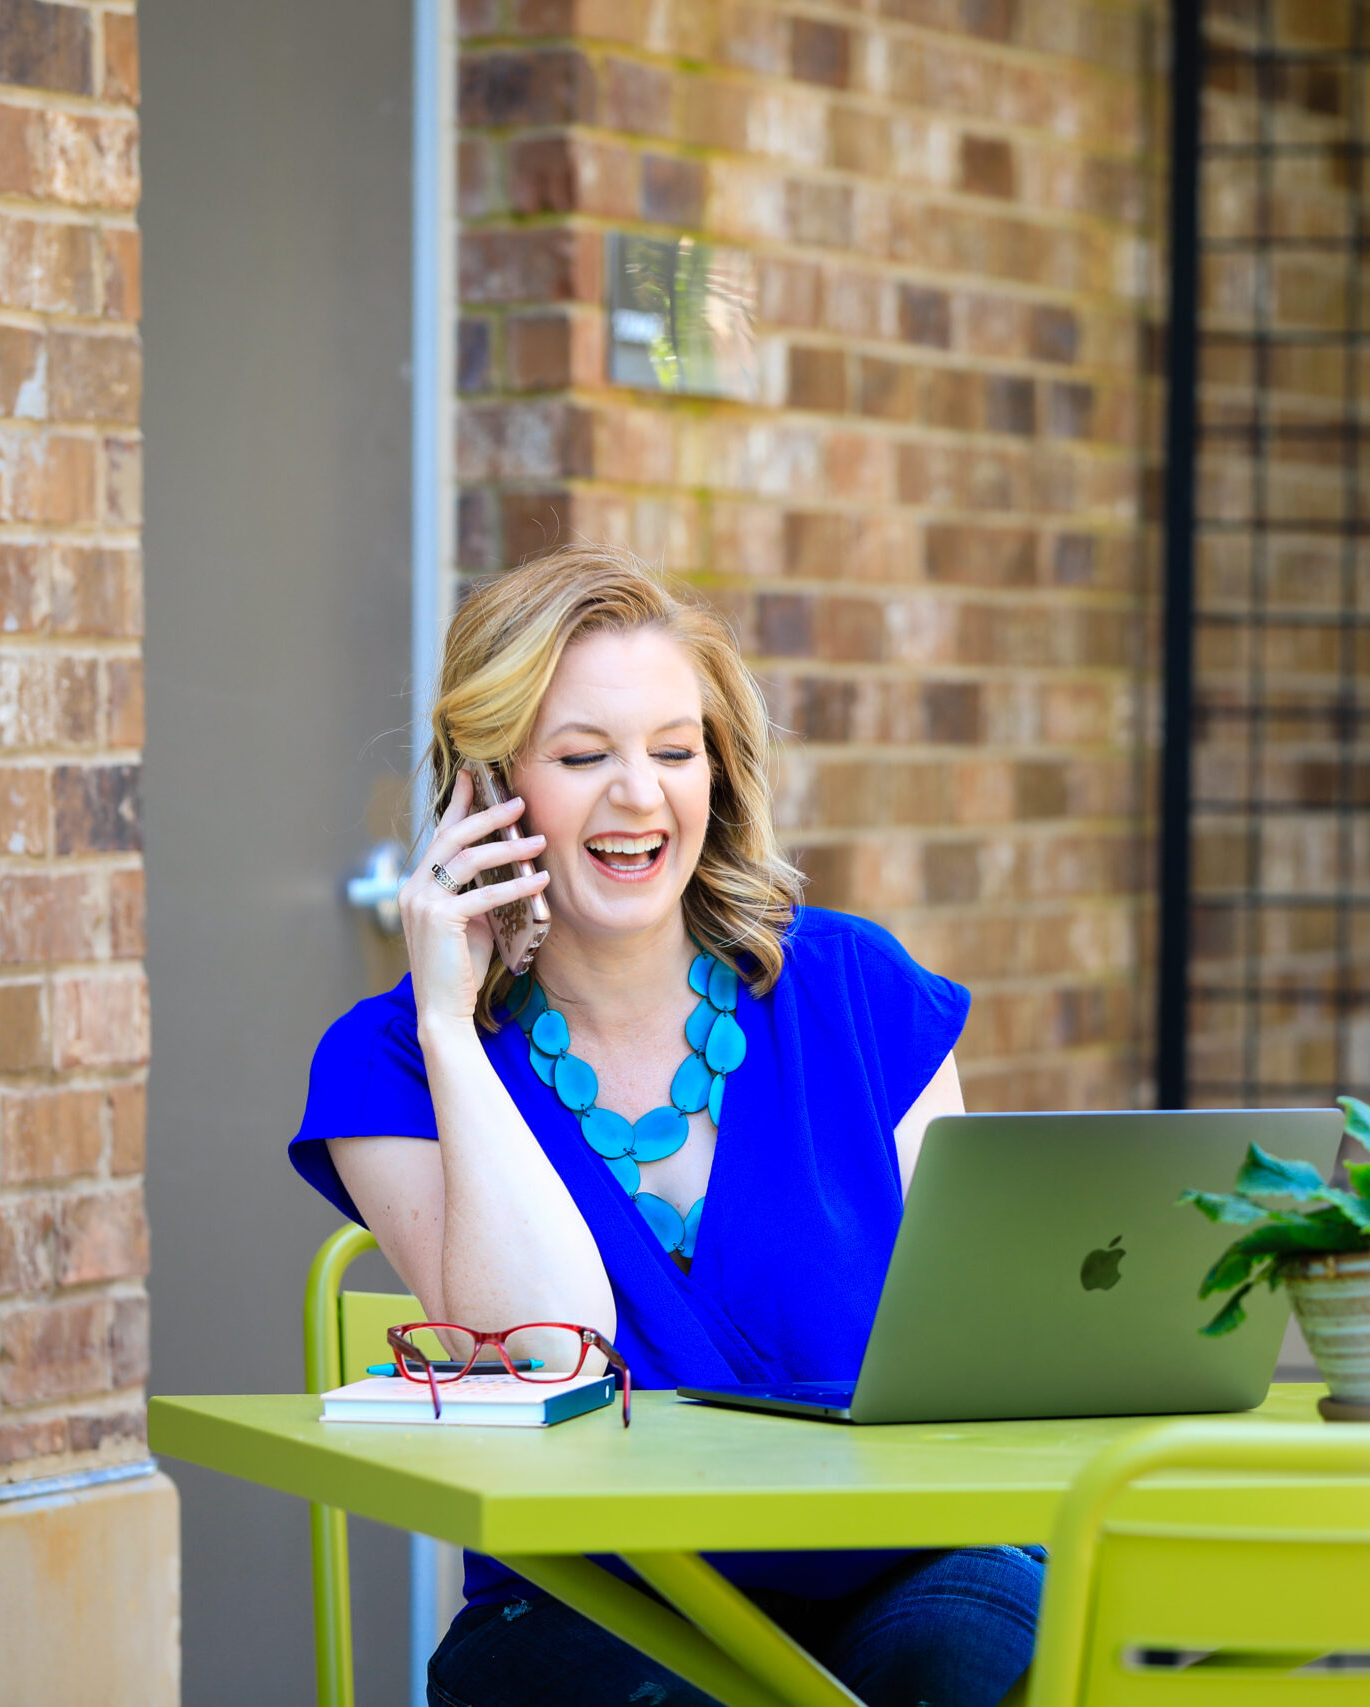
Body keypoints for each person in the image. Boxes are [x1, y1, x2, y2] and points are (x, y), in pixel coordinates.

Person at [288, 544, 1041, 1707]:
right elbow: (542, 1352)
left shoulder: (852, 990)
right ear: (488, 793)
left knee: (979, 1657)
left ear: (716, 776)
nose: (639, 795)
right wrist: (449, 1019)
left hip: (907, 1568)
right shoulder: (393, 1061)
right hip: (593, 1602)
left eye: (674, 753)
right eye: (583, 756)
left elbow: (977, 1338)